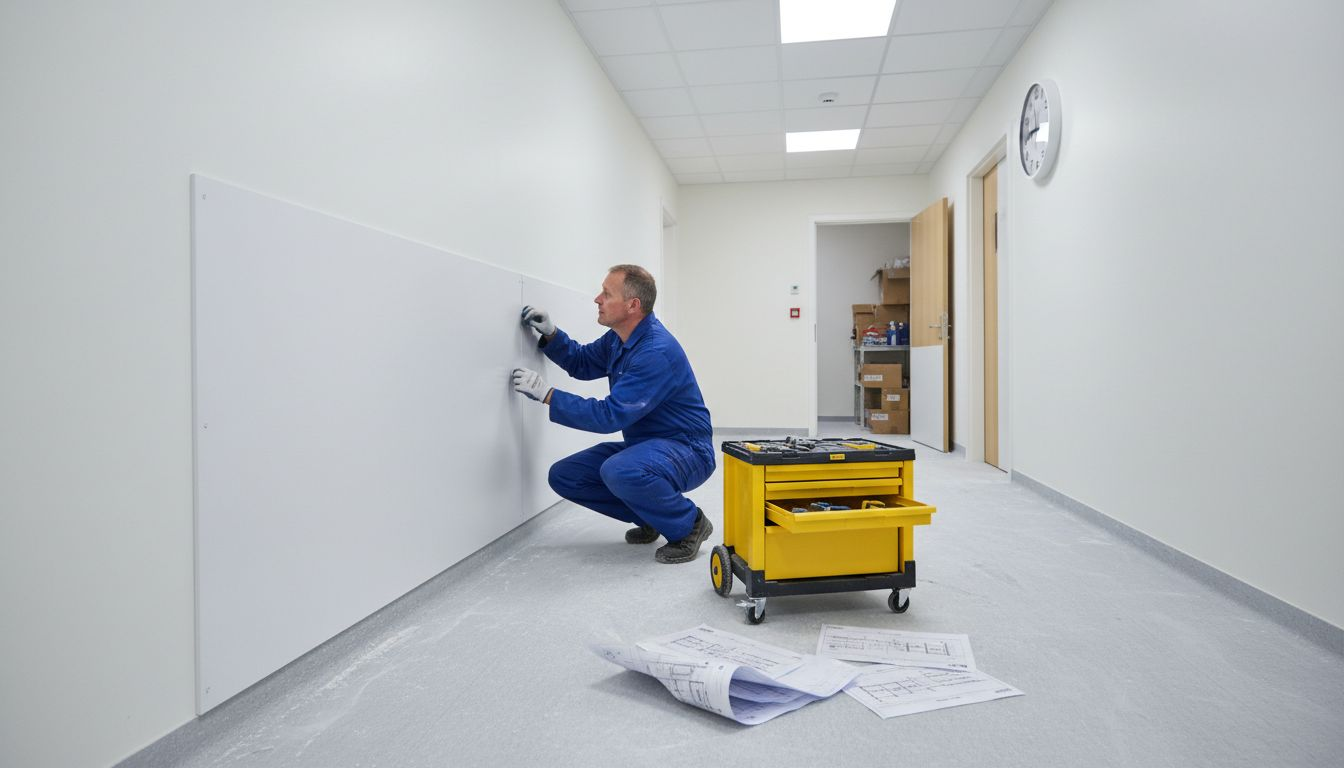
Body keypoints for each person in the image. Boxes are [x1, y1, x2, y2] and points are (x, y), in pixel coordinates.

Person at [511, 265, 716, 564]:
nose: (597, 299)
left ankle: (689, 524)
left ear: (633, 305)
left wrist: (548, 395)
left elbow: (609, 416)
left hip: (687, 450)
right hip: (646, 448)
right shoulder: (618, 338)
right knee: (566, 476)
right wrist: (552, 335)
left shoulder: (655, 352)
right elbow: (581, 362)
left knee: (619, 470)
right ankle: (654, 515)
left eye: (607, 294)